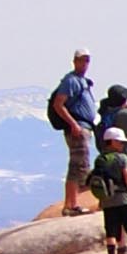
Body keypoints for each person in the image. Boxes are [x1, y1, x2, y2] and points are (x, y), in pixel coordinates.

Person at [48, 54, 100, 217]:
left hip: (83, 126)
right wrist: (73, 124)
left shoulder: (82, 81)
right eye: (81, 60)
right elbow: (59, 104)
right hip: (77, 127)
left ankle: (73, 204)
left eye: (86, 60)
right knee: (77, 166)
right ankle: (71, 205)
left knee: (80, 166)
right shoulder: (71, 81)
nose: (84, 63)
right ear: (74, 61)